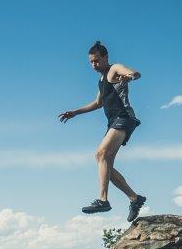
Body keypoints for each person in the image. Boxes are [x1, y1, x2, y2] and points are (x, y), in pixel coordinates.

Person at [58, 40, 146, 222]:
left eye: (97, 61)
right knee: (105, 166)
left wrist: (128, 76)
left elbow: (134, 73)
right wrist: (75, 112)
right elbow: (98, 103)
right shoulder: (101, 79)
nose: (93, 65)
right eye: (91, 62)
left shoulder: (114, 69)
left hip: (124, 117)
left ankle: (103, 200)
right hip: (113, 121)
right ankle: (135, 198)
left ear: (106, 57)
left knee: (100, 155)